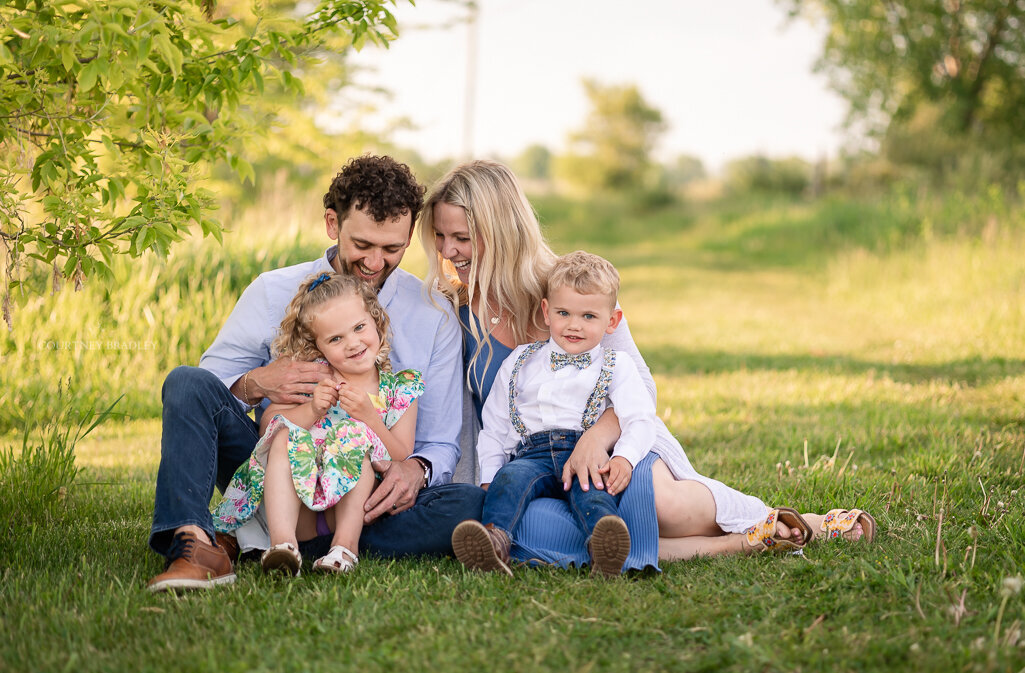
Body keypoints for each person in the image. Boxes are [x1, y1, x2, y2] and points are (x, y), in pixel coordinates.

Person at [419, 160, 875, 572]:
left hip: (616, 440)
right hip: (534, 461)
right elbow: (470, 415)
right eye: (440, 236)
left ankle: (793, 522)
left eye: (461, 237)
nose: (448, 251)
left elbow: (639, 386)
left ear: (503, 231)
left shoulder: (572, 288)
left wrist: (598, 440)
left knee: (661, 507)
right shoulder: (451, 308)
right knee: (544, 532)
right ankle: (747, 542)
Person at [147, 155, 484, 593]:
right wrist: (259, 382)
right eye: (363, 244)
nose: (376, 262)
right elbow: (207, 393)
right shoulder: (272, 291)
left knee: (467, 503)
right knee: (185, 380)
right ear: (332, 223)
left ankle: (293, 538)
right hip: (275, 466)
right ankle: (195, 545)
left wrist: (415, 471)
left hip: (367, 482)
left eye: (392, 248)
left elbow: (438, 441)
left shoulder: (432, 312)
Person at [452, 252, 661, 577]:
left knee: (593, 493)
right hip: (530, 454)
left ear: (612, 321)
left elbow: (641, 417)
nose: (574, 325)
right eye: (564, 313)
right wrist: (489, 475)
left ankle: (605, 545)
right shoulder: (522, 360)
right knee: (509, 481)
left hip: (584, 455)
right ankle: (494, 542)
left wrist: (625, 457)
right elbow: (495, 425)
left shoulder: (617, 365)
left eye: (589, 316)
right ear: (547, 312)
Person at [212, 271, 424, 576]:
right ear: (319, 346)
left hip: (354, 510)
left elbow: (401, 456)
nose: (352, 343)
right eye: (336, 338)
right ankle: (283, 547)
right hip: (302, 510)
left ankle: (344, 549)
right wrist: (312, 409)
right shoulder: (315, 377)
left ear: (377, 323)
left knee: (354, 438)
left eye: (359, 328)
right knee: (284, 437)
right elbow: (268, 426)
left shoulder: (401, 390)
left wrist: (368, 417)